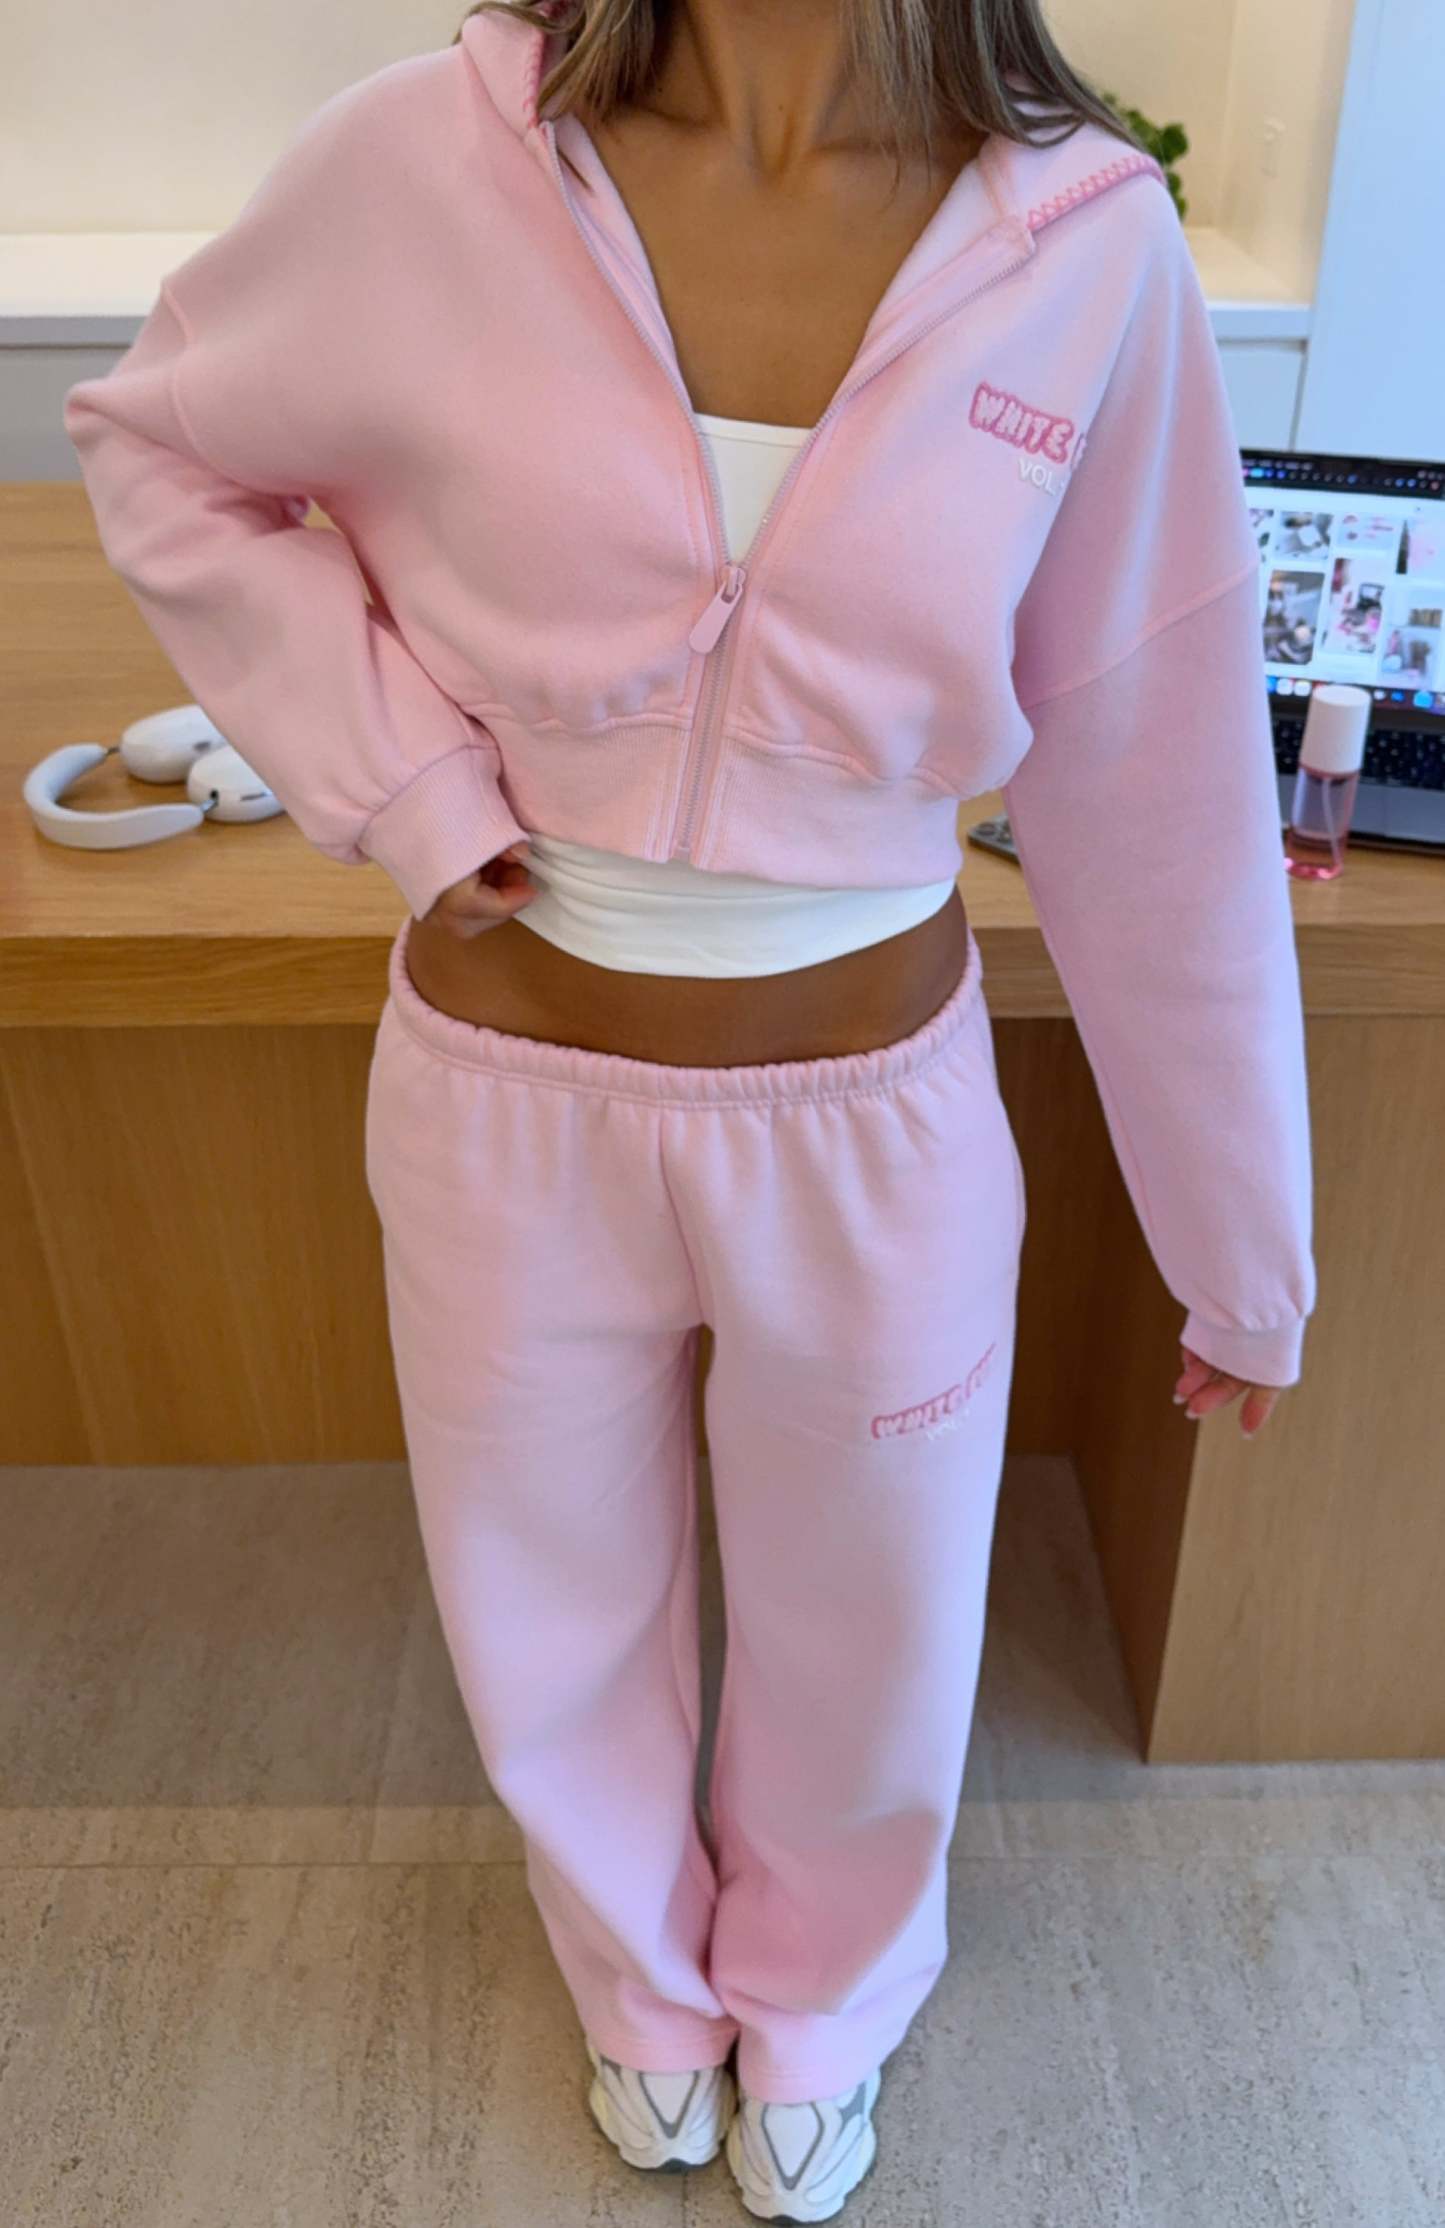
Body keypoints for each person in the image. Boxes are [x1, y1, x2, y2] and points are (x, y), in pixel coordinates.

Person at [63, 1, 1318, 2217]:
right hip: (502, 1108)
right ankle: (638, 1983)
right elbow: (163, 443)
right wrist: (401, 778)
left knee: (874, 1621)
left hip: (873, 1135)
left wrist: (1243, 1242)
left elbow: (1161, 777)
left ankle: (824, 1994)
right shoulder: (426, 159)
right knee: (542, 1598)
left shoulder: (1086, 245)